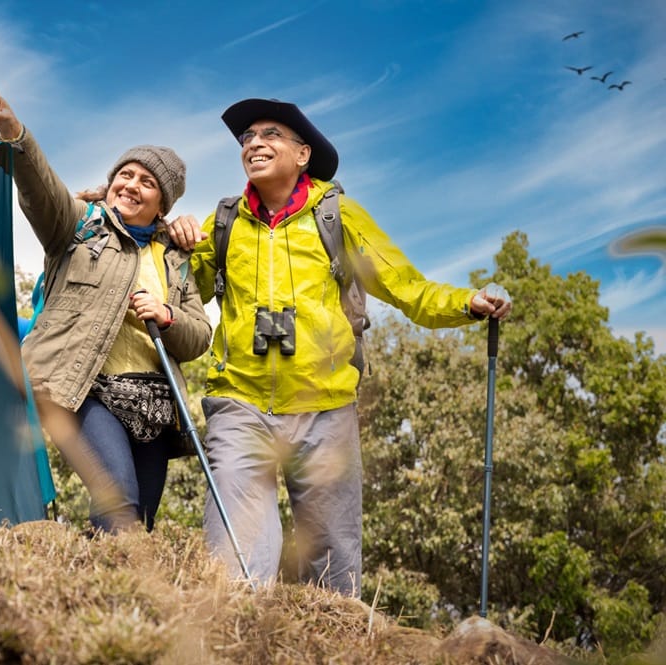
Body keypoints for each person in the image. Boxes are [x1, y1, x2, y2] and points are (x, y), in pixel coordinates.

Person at [166, 98, 512, 595]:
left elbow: (405, 286)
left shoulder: (337, 215)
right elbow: (175, 290)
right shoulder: (222, 224)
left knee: (331, 562)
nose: (253, 144)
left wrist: (467, 302)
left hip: (324, 409)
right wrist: (168, 234)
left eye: (269, 135)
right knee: (236, 555)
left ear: (303, 154)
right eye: (246, 139)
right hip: (240, 404)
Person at [0, 80, 212, 533]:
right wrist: (16, 135)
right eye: (126, 174)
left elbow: (199, 335)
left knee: (138, 523)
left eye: (147, 182)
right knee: (117, 500)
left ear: (162, 203)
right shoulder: (79, 228)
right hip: (84, 389)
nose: (131, 185)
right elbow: (41, 188)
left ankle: (109, 594)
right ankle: (84, 594)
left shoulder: (174, 259)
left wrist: (167, 316)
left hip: (155, 407)